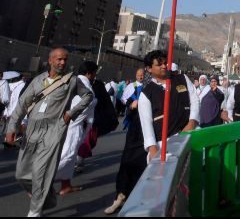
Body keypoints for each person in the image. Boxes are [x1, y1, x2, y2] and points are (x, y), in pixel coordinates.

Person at [5, 48, 94, 217]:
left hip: (55, 129)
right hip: (32, 129)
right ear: (51, 60)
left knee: (41, 171)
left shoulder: (71, 80)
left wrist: (70, 113)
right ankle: (47, 196)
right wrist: (12, 128)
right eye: (59, 59)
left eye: (65, 60)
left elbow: (88, 96)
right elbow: (22, 104)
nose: (62, 63)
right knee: (21, 173)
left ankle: (35, 210)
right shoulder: (38, 80)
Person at [138, 50, 199, 162]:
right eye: (159, 64)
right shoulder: (146, 94)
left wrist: (192, 122)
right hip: (165, 145)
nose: (163, 66)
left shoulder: (182, 79)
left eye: (165, 63)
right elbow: (146, 124)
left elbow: (195, 100)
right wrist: (153, 149)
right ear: (149, 68)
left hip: (190, 135)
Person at [105, 68, 146, 215]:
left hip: (150, 132)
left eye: (143, 75)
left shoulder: (152, 88)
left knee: (144, 166)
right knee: (127, 162)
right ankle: (120, 196)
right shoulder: (131, 87)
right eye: (139, 75)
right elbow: (126, 101)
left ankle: (136, 199)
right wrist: (131, 105)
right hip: (135, 128)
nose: (141, 77)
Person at [56, 60, 98, 195]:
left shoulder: (78, 82)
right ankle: (40, 181)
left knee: (71, 156)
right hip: (73, 125)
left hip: (76, 124)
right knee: (67, 155)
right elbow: (81, 106)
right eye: (94, 73)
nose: (94, 76)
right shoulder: (81, 84)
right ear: (89, 73)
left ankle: (65, 185)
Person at [1, 71, 24, 147]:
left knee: (13, 126)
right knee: (10, 126)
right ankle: (9, 140)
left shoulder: (20, 85)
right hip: (11, 110)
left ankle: (12, 141)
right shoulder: (10, 86)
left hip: (13, 109)